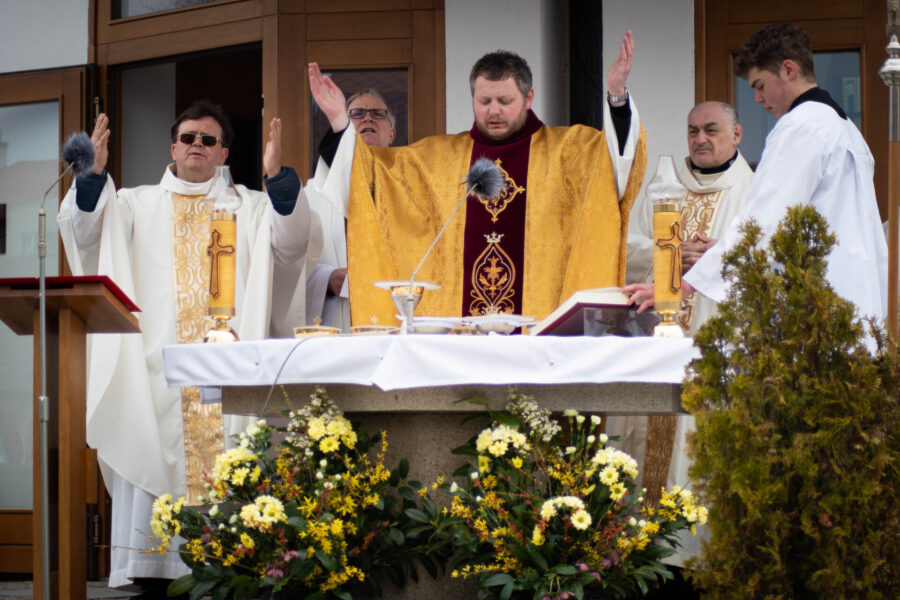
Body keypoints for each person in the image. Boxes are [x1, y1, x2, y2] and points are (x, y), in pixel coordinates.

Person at [57, 101, 320, 595]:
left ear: (224, 154)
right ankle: (153, 570)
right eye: (188, 137)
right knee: (150, 441)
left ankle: (236, 564)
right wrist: (92, 178)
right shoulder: (134, 204)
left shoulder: (253, 206)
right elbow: (86, 233)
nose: (197, 145)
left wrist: (279, 180)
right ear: (173, 148)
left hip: (230, 369)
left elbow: (292, 245)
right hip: (154, 367)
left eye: (209, 139)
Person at [308, 31, 647, 325]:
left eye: (504, 101)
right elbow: (373, 180)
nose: (493, 110)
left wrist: (617, 97)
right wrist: (340, 120)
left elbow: (614, 164)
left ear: (528, 98)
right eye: (484, 101)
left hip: (540, 323)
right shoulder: (437, 159)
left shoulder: (569, 153)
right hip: (457, 332)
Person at [630, 23, 887, 326]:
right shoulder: (845, 129)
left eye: (759, 85)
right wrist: (726, 249)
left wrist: (685, 284)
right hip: (857, 300)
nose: (756, 99)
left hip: (819, 308)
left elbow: (766, 220)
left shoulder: (799, 127)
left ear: (789, 69)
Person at [616, 101, 754, 572]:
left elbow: (765, 257)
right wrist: (671, 253)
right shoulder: (663, 189)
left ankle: (699, 558)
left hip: (714, 352)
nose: (700, 138)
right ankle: (647, 559)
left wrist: (720, 256)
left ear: (736, 134)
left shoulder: (754, 191)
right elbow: (629, 249)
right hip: (659, 352)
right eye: (693, 129)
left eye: (712, 130)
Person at [305, 88, 398, 331]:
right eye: (356, 114)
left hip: (391, 315)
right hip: (336, 318)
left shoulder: (406, 190)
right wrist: (326, 279)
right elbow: (290, 263)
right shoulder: (314, 193)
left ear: (392, 134)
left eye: (378, 114)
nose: (367, 118)